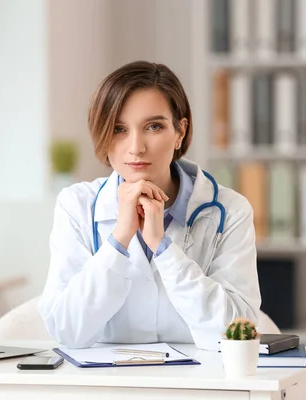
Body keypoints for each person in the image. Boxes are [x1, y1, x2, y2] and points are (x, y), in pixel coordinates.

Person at [37, 61, 261, 351]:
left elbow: (236, 334)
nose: (136, 147)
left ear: (180, 131)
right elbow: (67, 331)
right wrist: (120, 237)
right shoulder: (76, 206)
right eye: (119, 129)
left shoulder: (230, 211)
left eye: (153, 126)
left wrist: (163, 248)